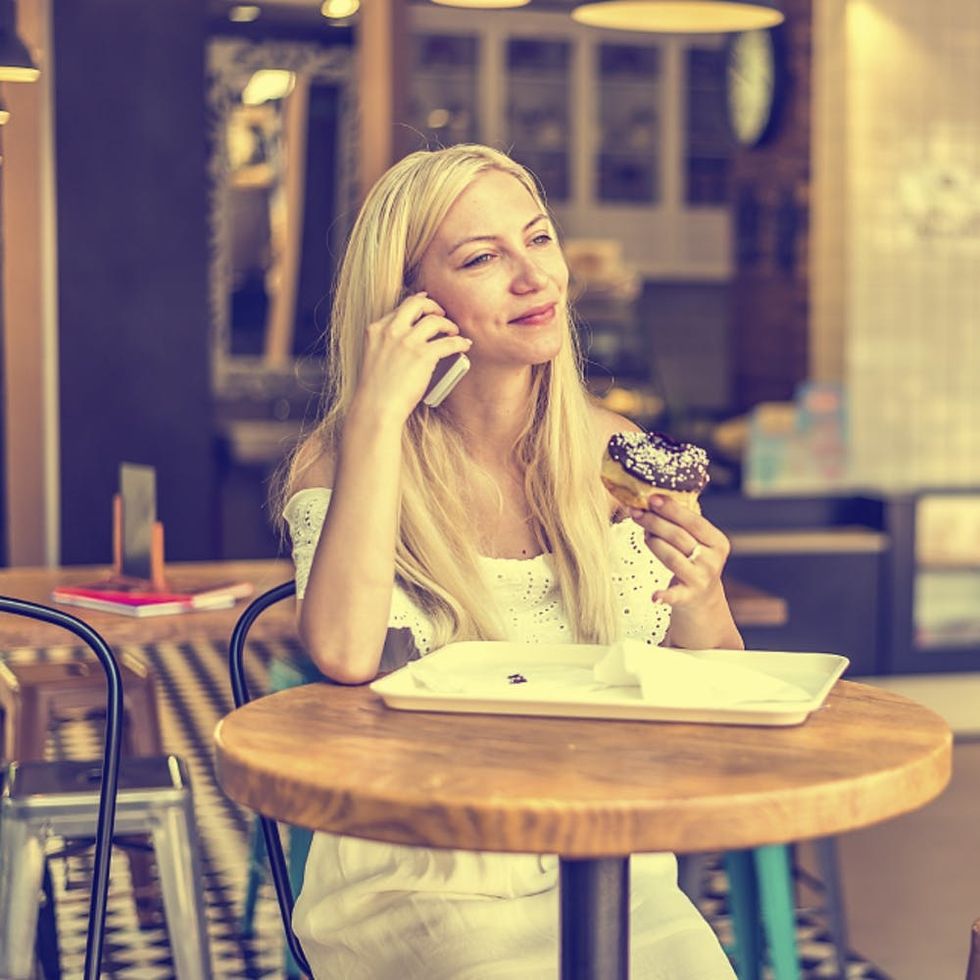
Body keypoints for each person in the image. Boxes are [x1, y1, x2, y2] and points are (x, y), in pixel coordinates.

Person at [279, 143, 741, 979]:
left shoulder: (617, 453)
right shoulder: (346, 456)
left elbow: (718, 688)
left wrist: (701, 595)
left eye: (538, 240)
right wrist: (381, 414)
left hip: (608, 861)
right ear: (410, 304)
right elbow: (345, 653)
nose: (535, 279)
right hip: (422, 873)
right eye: (483, 258)